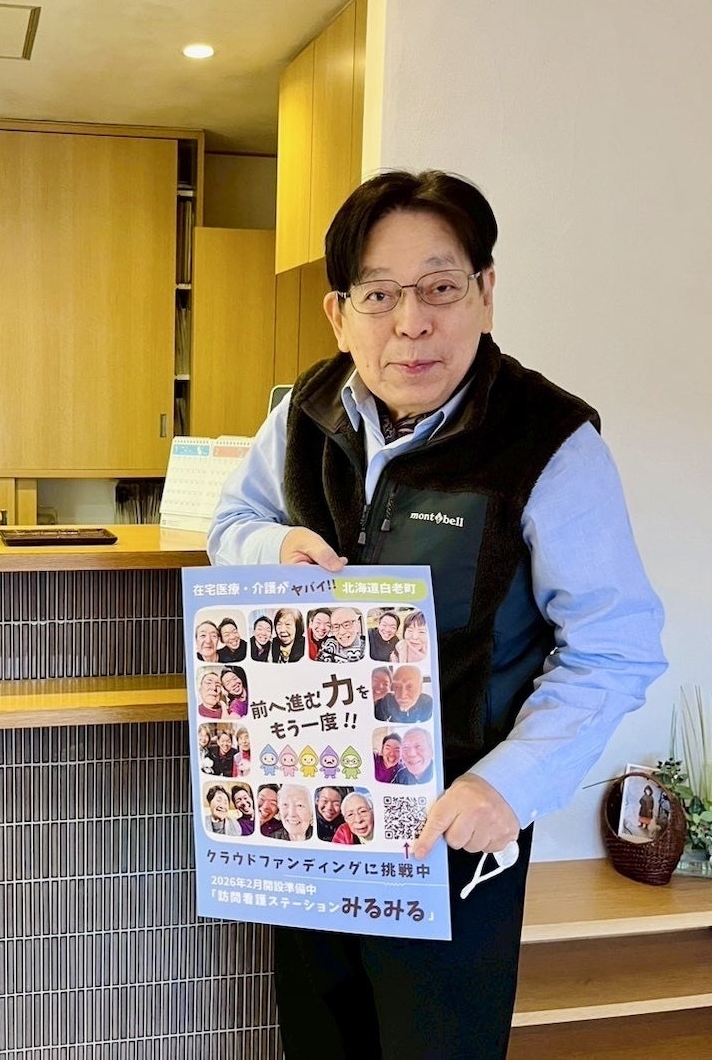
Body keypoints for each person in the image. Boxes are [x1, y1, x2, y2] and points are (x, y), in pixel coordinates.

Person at [207, 169, 666, 1057]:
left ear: (485, 292)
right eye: (378, 294)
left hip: (455, 834)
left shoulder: (548, 441)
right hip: (310, 817)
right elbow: (229, 523)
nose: (410, 322)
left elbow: (615, 647)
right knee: (320, 1039)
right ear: (338, 313)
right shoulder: (302, 413)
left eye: (439, 288)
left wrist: (509, 787)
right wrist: (272, 545)